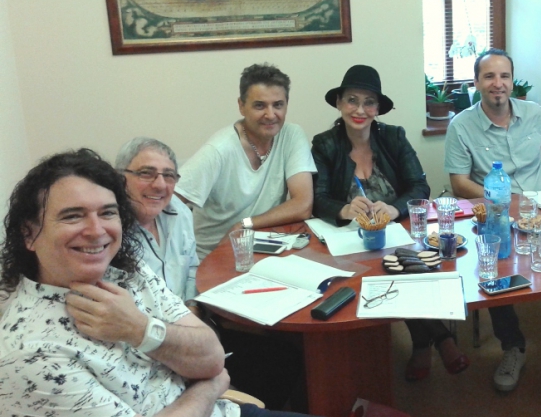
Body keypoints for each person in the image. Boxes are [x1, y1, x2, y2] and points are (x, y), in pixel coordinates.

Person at [0, 148, 310, 417]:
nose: (96, 231)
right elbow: (214, 373)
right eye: (72, 216)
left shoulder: (126, 272)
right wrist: (210, 388)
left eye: (107, 213)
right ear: (29, 234)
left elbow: (212, 357)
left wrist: (139, 329)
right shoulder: (29, 353)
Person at [312, 64, 469, 381]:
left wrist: (395, 209)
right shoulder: (324, 144)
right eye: (352, 100)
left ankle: (423, 343)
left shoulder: (394, 137)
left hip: (397, 233)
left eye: (369, 102)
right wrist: (345, 209)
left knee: (406, 266)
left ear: (377, 108)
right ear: (339, 103)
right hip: (350, 242)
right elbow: (316, 198)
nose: (360, 110)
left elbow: (420, 186)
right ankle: (439, 336)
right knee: (391, 273)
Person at [444, 48, 541, 394]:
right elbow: (459, 182)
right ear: (476, 83)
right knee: (493, 270)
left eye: (504, 76)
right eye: (489, 76)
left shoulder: (534, 113)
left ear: (512, 81)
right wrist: (500, 203)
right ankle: (513, 347)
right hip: (495, 213)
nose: (498, 83)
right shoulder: (461, 126)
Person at [176, 63, 317, 259]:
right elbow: (170, 201)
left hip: (264, 250)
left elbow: (302, 204)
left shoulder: (292, 135)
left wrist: (245, 224)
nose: (270, 115)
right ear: (241, 106)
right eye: (260, 106)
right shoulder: (219, 150)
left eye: (278, 105)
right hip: (213, 257)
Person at [117, 137, 199, 302]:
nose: (160, 185)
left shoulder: (180, 212)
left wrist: (193, 308)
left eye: (168, 175)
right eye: (146, 173)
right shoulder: (109, 231)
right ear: (120, 177)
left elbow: (192, 269)